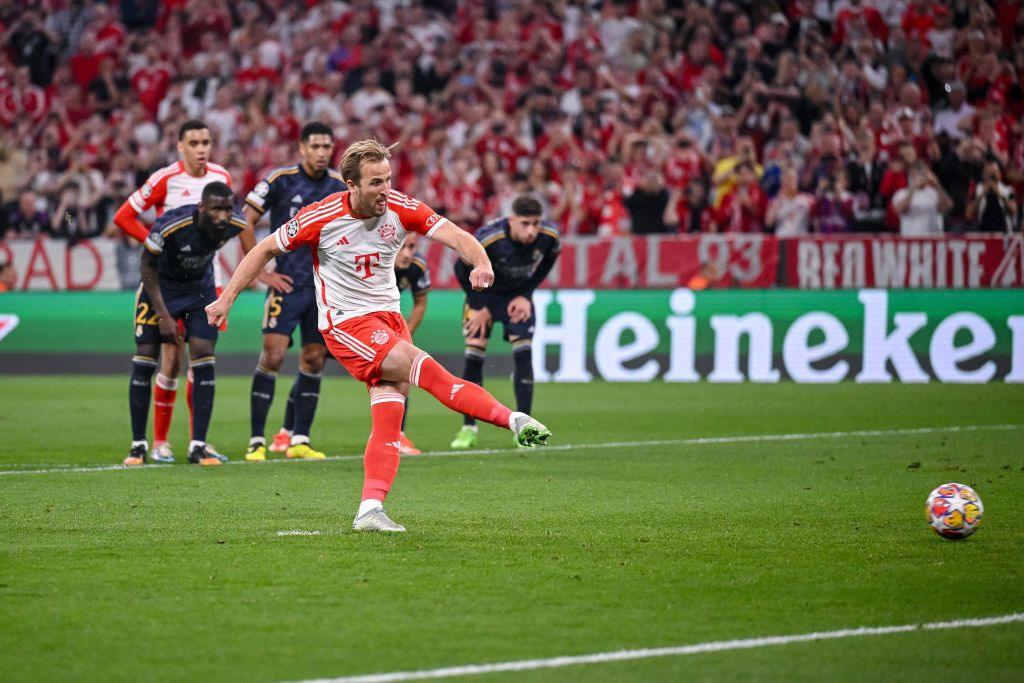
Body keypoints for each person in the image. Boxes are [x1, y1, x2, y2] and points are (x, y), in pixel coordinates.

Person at [206, 140, 551, 532]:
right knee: (429, 370)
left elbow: (457, 236)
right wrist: (226, 299)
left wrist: (483, 262)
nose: (385, 189)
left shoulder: (401, 207)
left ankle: (370, 509)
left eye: (388, 179)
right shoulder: (320, 216)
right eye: (375, 183)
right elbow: (263, 249)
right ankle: (514, 420)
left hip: (390, 318)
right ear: (351, 184)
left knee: (390, 414)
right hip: (348, 323)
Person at [114, 119, 233, 464]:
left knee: (200, 360)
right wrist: (156, 245)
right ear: (180, 146)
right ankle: (160, 442)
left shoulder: (221, 178)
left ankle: (198, 442)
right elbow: (124, 216)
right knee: (170, 357)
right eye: (193, 143)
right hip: (166, 282)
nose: (201, 149)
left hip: (205, 280)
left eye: (205, 142)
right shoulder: (166, 178)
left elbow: (232, 224)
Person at [241, 122, 346, 463]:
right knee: (272, 356)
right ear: (301, 148)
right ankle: (256, 440)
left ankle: (300, 438)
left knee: (314, 359)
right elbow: (245, 220)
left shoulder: (339, 185)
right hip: (286, 284)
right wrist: (261, 271)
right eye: (315, 146)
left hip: (322, 289)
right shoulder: (279, 180)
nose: (321, 152)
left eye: (327, 146)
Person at [124, 182, 244, 467]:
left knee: (204, 356)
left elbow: (250, 236)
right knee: (145, 357)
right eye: (216, 209)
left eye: (227, 208)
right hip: (159, 288)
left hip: (199, 293)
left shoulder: (235, 222)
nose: (223, 216)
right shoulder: (170, 226)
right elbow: (146, 266)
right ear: (202, 208)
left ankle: (198, 446)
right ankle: (138, 446)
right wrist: (164, 315)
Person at [449, 195, 561, 450]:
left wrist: (527, 294)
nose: (531, 230)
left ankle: (525, 429)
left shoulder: (550, 236)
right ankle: (469, 429)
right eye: (525, 223)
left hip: (517, 297)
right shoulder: (489, 238)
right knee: (474, 352)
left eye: (535, 223)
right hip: (483, 294)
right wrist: (478, 306)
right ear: (512, 221)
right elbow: (459, 268)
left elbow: (549, 260)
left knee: (524, 354)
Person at [392, 231, 431, 455]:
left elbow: (420, 304)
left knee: (400, 374)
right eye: (402, 247)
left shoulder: (417, 266)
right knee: (313, 358)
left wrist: (404, 336)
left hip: (385, 320)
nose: (407, 254)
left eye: (412, 247)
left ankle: (397, 435)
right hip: (351, 318)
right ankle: (290, 432)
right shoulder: (373, 260)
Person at [892, 162, 953, 236]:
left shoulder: (934, 193)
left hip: (933, 239)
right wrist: (913, 189)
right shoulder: (902, 193)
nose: (920, 177)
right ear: (910, 175)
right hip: (911, 238)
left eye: (923, 173)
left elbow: (947, 206)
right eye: (916, 174)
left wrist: (937, 185)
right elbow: (899, 209)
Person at [966, 160, 1018, 233]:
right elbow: (968, 214)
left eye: (995, 172)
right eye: (988, 172)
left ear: (999, 173)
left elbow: (1014, 211)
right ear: (983, 174)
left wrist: (999, 193)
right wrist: (982, 194)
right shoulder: (977, 189)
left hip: (1004, 233)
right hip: (983, 233)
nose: (992, 175)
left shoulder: (1007, 190)